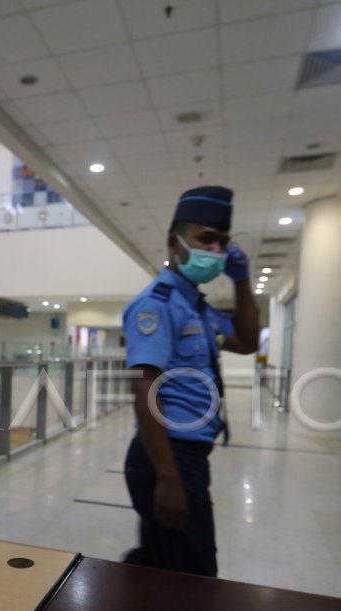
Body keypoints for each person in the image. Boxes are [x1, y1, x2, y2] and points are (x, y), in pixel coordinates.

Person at [122, 185, 260, 577]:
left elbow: (247, 342)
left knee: (160, 563)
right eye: (205, 239)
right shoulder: (158, 304)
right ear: (174, 242)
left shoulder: (197, 308)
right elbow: (143, 385)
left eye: (222, 243)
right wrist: (169, 478)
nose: (215, 251)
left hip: (185, 455)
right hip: (168, 455)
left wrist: (242, 281)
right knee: (195, 576)